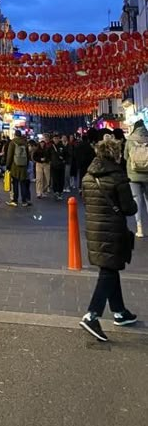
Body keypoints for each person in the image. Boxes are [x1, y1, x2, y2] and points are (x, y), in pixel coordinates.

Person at [80, 136, 138, 341]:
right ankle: (91, 315)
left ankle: (119, 311)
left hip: (94, 229)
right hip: (113, 230)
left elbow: (86, 202)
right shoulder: (117, 177)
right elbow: (130, 209)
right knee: (108, 270)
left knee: (110, 267)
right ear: (115, 154)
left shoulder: (88, 176)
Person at [124, 119, 148, 238]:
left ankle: (140, 228)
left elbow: (124, 156)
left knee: (137, 201)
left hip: (133, 175)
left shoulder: (130, 140)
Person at [6, 129, 30, 207]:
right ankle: (24, 201)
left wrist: (8, 166)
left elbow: (9, 155)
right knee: (23, 183)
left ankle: (15, 200)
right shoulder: (25, 143)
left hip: (14, 166)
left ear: (15, 135)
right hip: (23, 166)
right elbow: (28, 155)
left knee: (15, 183)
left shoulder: (12, 142)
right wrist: (26, 164)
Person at [49, 134, 66, 200]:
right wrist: (49, 161)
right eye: (55, 138)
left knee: (61, 180)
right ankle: (56, 192)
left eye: (57, 138)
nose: (56, 140)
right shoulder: (51, 147)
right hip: (54, 166)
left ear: (59, 139)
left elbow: (67, 154)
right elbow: (48, 155)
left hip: (61, 166)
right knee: (55, 179)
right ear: (53, 139)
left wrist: (64, 160)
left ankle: (60, 192)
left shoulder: (62, 146)